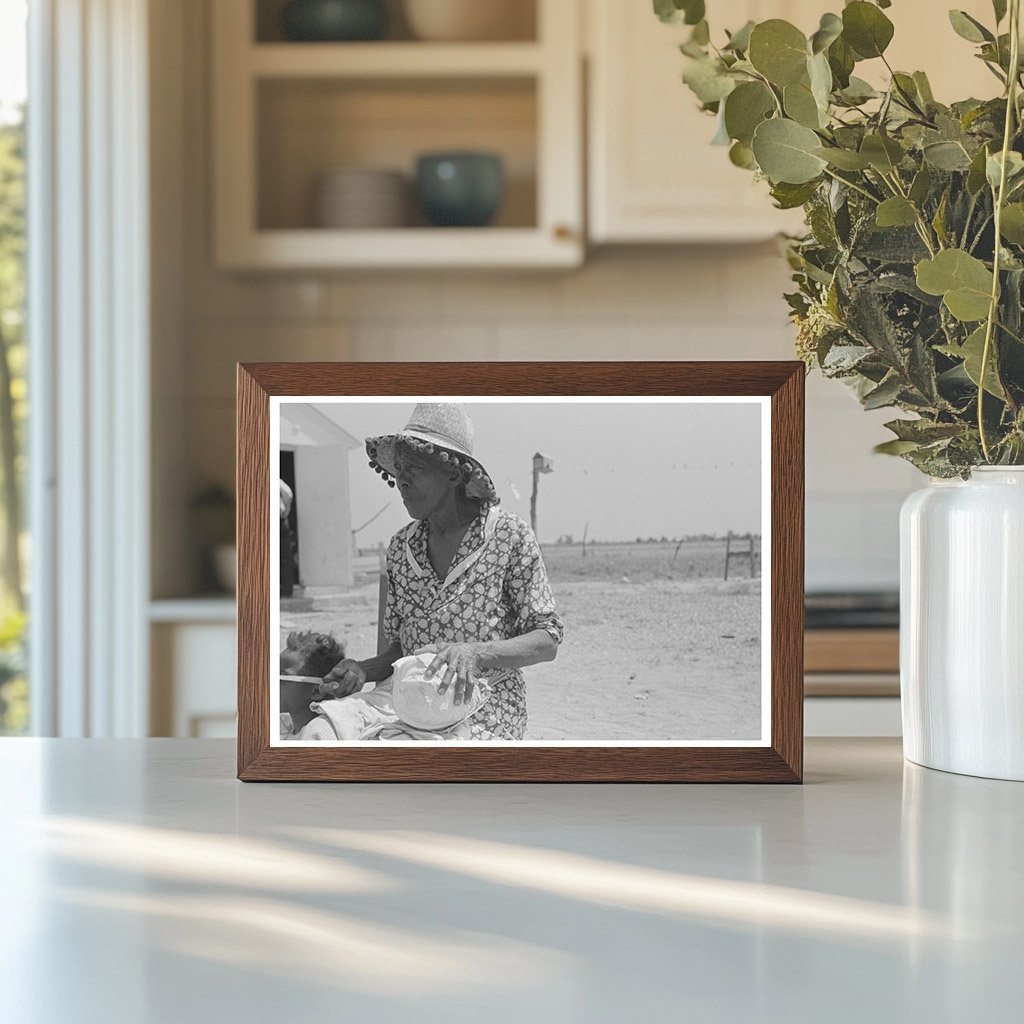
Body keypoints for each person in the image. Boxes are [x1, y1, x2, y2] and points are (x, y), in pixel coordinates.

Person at [321, 402, 563, 741]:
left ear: (453, 473)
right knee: (320, 731)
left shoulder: (508, 536)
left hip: (482, 707)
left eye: (414, 468)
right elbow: (400, 651)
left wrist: (475, 652)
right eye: (399, 469)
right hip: (406, 701)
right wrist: (362, 669)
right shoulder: (402, 547)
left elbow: (546, 640)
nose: (401, 481)